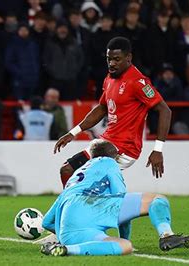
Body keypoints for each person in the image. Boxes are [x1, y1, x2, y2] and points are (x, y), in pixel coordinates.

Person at [40, 140, 189, 256]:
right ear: (115, 157)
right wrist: (124, 235)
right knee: (157, 200)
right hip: (92, 207)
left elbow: (46, 222)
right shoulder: (108, 163)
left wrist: (65, 236)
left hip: (70, 232)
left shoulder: (76, 177)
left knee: (125, 247)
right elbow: (121, 198)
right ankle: (166, 235)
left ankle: (66, 250)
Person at [54, 37, 172, 185]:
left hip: (125, 148)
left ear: (128, 58)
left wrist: (158, 149)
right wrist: (73, 133)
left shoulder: (138, 82)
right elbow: (102, 108)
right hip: (105, 142)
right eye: (109, 59)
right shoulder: (109, 78)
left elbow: (165, 111)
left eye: (117, 59)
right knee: (66, 170)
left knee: (85, 182)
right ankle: (72, 205)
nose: (111, 63)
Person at [43, 21, 83, 100]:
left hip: (70, 79)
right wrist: (52, 71)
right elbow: (45, 59)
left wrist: (74, 70)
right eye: (60, 28)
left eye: (64, 28)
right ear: (56, 29)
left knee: (69, 102)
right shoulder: (50, 43)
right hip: (55, 79)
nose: (62, 30)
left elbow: (80, 58)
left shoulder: (74, 42)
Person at [5, 23, 40, 101]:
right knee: (19, 104)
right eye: (21, 30)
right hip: (19, 80)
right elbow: (9, 62)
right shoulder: (13, 44)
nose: (23, 32)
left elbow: (36, 60)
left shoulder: (33, 44)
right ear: (18, 31)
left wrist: (35, 72)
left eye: (25, 30)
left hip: (32, 80)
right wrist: (20, 72)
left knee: (30, 102)